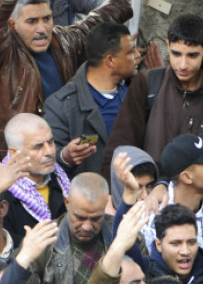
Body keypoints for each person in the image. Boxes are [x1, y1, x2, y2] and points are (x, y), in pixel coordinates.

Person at [0, 0, 141, 156]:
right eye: (32, 21)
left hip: (62, 147)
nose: (42, 29)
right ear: (12, 23)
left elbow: (96, 21)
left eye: (47, 19)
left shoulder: (63, 40)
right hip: (14, 156)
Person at [106, 14, 203, 169]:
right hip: (150, 189)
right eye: (176, 54)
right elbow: (120, 146)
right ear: (168, 46)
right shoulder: (147, 83)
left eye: (192, 55)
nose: (183, 65)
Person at [44, 22, 139, 177]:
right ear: (110, 60)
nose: (137, 56)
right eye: (130, 52)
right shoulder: (61, 105)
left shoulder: (137, 93)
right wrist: (65, 156)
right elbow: (48, 158)